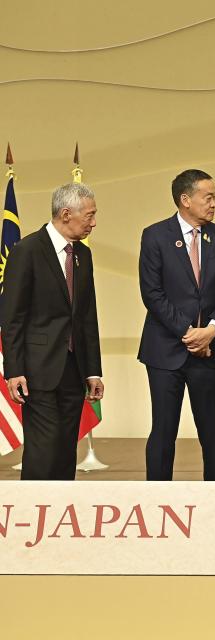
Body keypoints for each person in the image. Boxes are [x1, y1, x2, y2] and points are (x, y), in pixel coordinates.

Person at [138, 169, 215, 480]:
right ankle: (157, 500)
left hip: (209, 352)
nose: (213, 204)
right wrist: (189, 333)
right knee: (163, 432)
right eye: (208, 198)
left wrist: (211, 331)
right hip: (165, 352)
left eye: (214, 198)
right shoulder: (155, 236)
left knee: (214, 433)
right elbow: (152, 294)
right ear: (185, 200)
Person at [1, 182, 104, 480]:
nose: (93, 222)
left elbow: (87, 317)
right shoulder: (27, 250)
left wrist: (93, 370)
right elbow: (13, 317)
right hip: (37, 369)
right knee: (42, 449)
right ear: (66, 213)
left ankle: (59, 513)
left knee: (64, 450)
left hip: (73, 369)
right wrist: (14, 369)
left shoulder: (83, 256)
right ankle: (33, 516)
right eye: (90, 215)